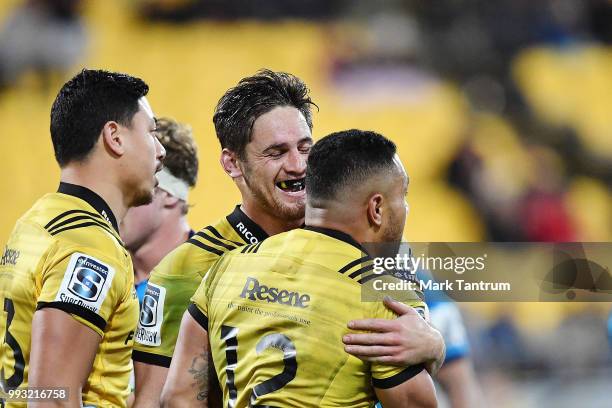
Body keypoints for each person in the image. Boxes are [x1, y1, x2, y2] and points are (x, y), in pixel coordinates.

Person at [132, 70, 445, 407]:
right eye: (277, 152)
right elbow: (163, 399)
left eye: (305, 148)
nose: (298, 166)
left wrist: (433, 342)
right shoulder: (185, 271)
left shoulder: (374, 252)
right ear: (233, 163)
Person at [0, 69, 165, 407]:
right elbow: (52, 398)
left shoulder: (37, 221)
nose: (161, 150)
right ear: (115, 137)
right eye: (151, 133)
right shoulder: (90, 247)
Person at [120, 117, 199, 305]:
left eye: (128, 186)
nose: (115, 200)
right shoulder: (105, 274)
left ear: (169, 195)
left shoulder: (209, 280)